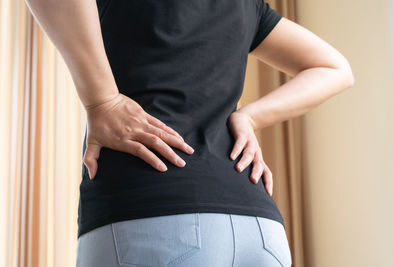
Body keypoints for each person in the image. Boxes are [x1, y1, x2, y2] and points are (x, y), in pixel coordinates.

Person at [25, 0, 354, 266]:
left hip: (152, 216)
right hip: (261, 231)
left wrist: (103, 102)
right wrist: (250, 118)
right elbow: (335, 69)